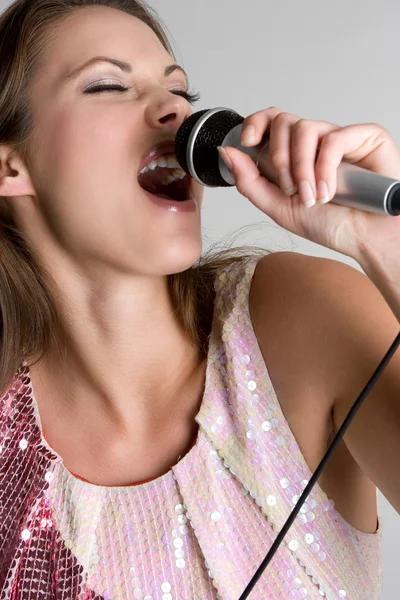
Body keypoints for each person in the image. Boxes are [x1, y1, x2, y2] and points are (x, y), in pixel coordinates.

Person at [1, 0, 400, 598]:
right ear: (10, 165)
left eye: (180, 90)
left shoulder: (302, 317)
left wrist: (390, 251)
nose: (175, 110)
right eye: (109, 85)